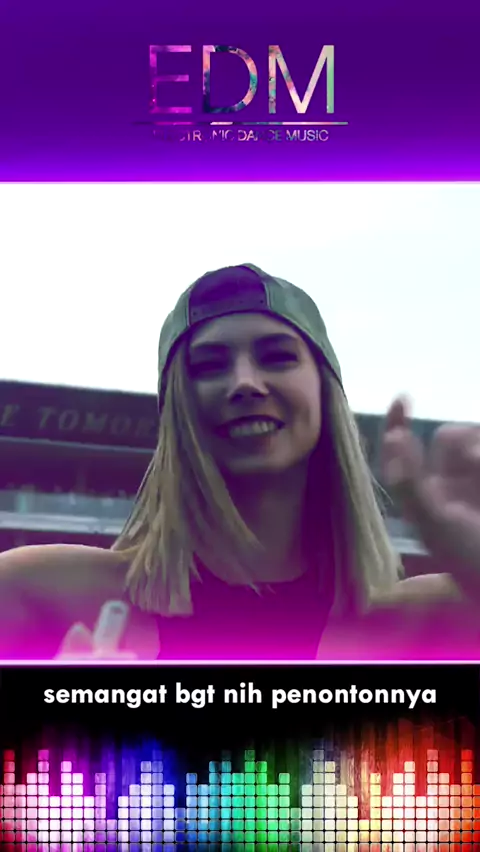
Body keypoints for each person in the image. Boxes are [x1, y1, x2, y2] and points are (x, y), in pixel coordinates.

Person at [0, 263, 479, 661]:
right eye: (209, 365)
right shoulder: (39, 594)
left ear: (325, 390)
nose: (245, 383)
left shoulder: (433, 620)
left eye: (277, 356)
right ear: (176, 410)